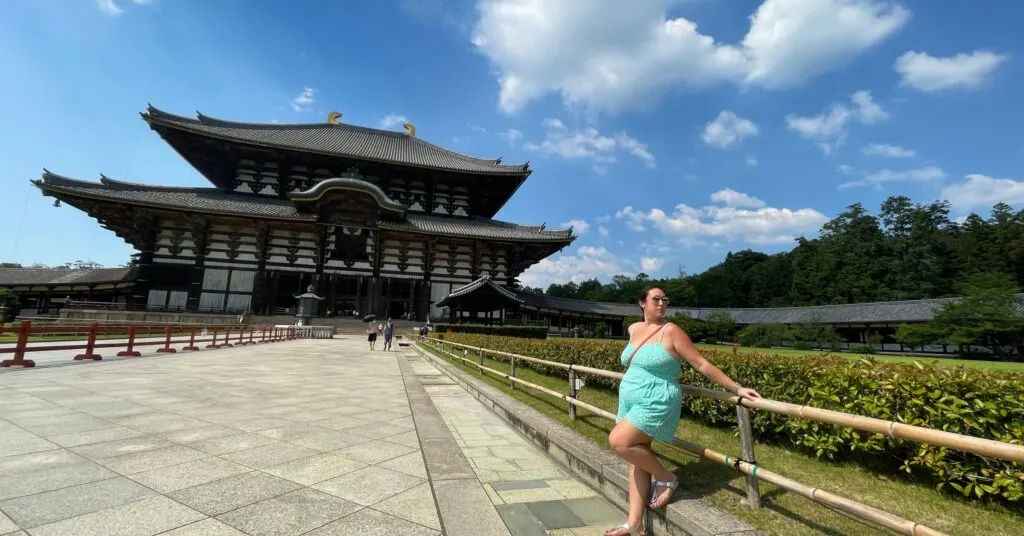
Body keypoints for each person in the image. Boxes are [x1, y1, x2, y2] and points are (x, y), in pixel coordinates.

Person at [605, 287, 761, 536]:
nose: (661, 303)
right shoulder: (633, 329)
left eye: (664, 299)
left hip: (656, 399)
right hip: (631, 399)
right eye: (655, 299)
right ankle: (633, 524)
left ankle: (667, 477)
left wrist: (736, 387)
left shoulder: (671, 331)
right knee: (638, 456)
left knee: (619, 442)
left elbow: (700, 363)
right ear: (642, 303)